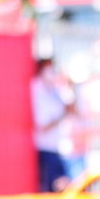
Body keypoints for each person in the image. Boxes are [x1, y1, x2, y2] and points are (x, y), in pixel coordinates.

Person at [32, 53, 77, 190]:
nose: (51, 72)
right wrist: (62, 115)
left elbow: (72, 109)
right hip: (44, 149)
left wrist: (69, 86)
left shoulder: (54, 90)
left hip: (57, 148)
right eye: (48, 68)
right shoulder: (37, 89)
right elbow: (44, 126)